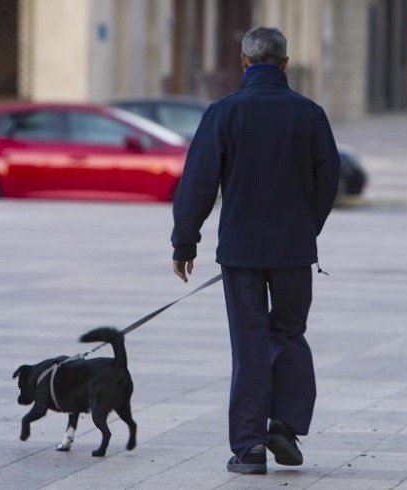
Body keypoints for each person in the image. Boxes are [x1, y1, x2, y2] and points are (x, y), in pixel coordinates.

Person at [171, 26, 340, 474]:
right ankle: (284, 426)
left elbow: (199, 181)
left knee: (249, 344)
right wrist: (307, 227)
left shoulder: (224, 112)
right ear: (284, 63)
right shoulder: (310, 114)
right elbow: (328, 182)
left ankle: (249, 449)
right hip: (293, 251)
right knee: (287, 334)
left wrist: (184, 241)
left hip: (242, 253)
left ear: (244, 63)